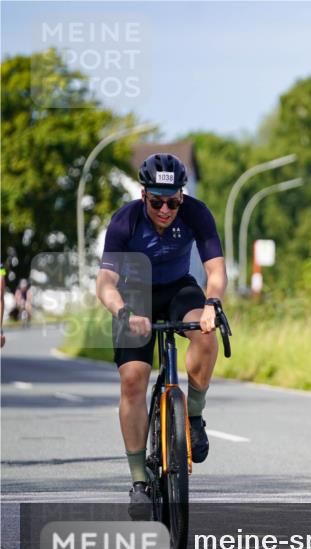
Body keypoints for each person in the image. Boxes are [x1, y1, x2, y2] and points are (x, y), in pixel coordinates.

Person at [96, 153, 227, 519]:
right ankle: (139, 481)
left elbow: (215, 270)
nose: (166, 209)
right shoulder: (125, 220)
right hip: (134, 295)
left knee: (204, 335)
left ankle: (195, 418)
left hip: (177, 290)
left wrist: (212, 305)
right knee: (134, 379)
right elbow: (105, 282)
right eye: (157, 201)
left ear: (181, 196)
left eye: (173, 201)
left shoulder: (197, 214)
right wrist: (123, 312)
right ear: (143, 196)